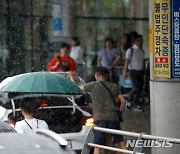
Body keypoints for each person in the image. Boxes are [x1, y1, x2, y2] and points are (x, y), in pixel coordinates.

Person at [69, 66, 126, 154]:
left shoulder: (93, 85)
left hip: (100, 119)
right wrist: (119, 112)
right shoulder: (114, 86)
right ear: (107, 76)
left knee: (98, 145)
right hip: (113, 118)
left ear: (97, 75)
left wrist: (71, 77)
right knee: (119, 141)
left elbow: (75, 88)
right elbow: (123, 101)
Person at [123, 34, 145, 112]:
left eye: (141, 40)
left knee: (140, 88)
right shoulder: (131, 50)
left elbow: (142, 61)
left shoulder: (141, 50)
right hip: (133, 71)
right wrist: (125, 72)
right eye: (139, 40)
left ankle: (137, 104)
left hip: (140, 71)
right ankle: (128, 101)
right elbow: (126, 62)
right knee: (135, 87)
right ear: (135, 41)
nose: (141, 42)